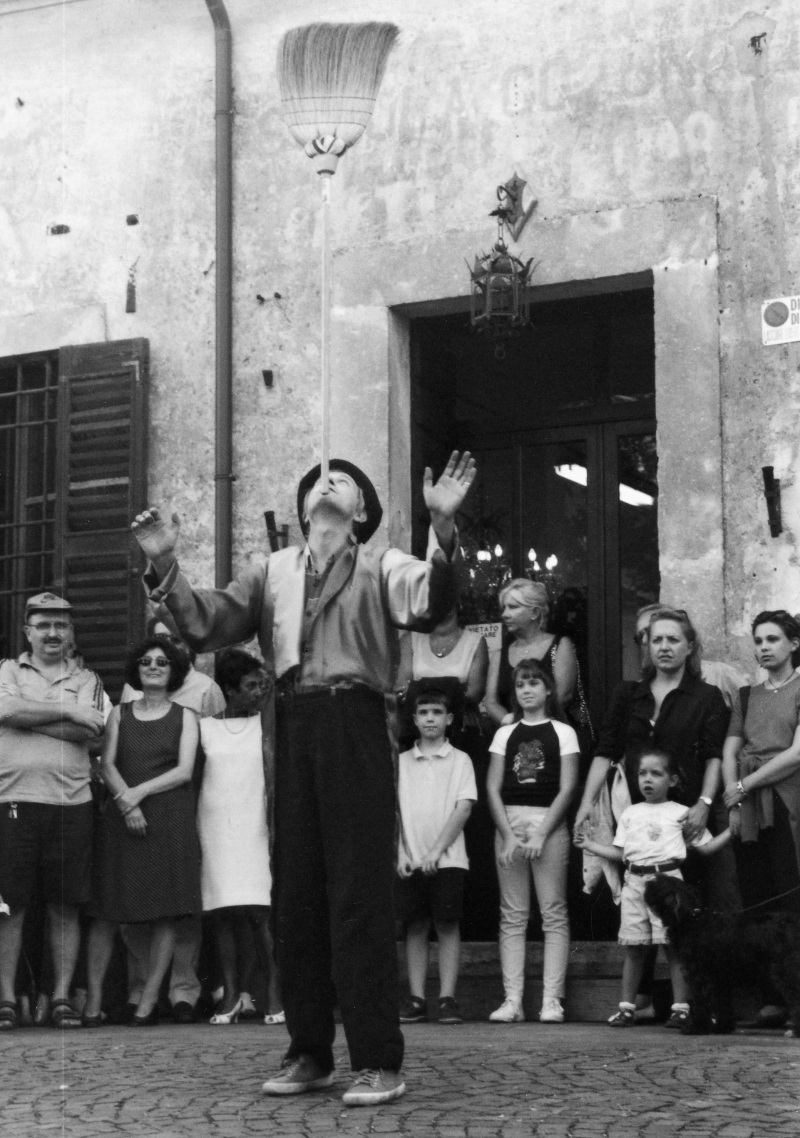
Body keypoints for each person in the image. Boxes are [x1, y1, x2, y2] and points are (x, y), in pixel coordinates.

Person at [131, 451, 475, 1106]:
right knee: (296, 897)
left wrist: (443, 528)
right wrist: (165, 564)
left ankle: (378, 1060)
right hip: (290, 725)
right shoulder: (271, 571)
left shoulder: (385, 563)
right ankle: (310, 1052)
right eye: (317, 477)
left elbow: (432, 605)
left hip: (355, 723)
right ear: (302, 509)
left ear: (362, 513)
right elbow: (205, 625)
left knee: (360, 894)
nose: (327, 482)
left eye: (342, 480)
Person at [0, 592, 105, 1030]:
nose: (52, 633)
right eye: (43, 625)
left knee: (65, 904)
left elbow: (96, 729)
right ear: (28, 631)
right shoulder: (7, 671)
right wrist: (68, 711)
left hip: (71, 802)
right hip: (14, 800)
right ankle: (5, 998)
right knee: (10, 906)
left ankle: (61, 995)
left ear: (71, 633)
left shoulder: (90, 678)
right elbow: (5, 707)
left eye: (61, 626)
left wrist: (27, 717)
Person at [82, 637, 201, 1026]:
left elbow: (184, 771)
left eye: (162, 662)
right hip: (124, 818)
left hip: (168, 817)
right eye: (147, 661)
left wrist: (136, 795)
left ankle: (149, 999)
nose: (153, 666)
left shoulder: (186, 716)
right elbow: (106, 763)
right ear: (137, 668)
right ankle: (95, 1002)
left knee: (165, 910)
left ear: (174, 671)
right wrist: (125, 802)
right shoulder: (120, 713)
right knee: (110, 908)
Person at [119, 610, 225, 1025]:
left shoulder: (207, 690)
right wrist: (130, 801)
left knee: (180, 903)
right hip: (138, 807)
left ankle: (183, 990)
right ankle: (141, 987)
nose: (166, 650)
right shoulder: (132, 688)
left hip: (186, 801)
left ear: (187, 647)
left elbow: (216, 750)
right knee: (138, 901)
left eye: (175, 642)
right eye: (158, 641)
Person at [575, 746, 730, 1027]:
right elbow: (620, 852)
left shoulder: (682, 813)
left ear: (672, 780)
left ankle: (680, 1007)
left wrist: (733, 830)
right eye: (642, 774)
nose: (647, 780)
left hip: (669, 885)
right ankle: (626, 1007)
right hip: (635, 884)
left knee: (673, 946)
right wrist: (590, 845)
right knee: (634, 948)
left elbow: (706, 847)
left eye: (656, 774)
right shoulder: (631, 813)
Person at [574, 610, 729, 875]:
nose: (664, 647)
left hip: (685, 815)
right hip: (633, 812)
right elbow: (605, 752)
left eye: (673, 640)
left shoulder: (707, 696)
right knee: (635, 891)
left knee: (684, 895)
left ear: (689, 647)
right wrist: (586, 804)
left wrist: (704, 804)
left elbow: (713, 756)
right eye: (657, 640)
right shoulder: (627, 694)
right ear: (648, 646)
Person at [486, 660, 580, 1024]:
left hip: (548, 824)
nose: (526, 690)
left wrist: (542, 833)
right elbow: (493, 786)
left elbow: (568, 785)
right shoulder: (505, 733)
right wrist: (508, 834)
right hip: (510, 821)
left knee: (553, 911)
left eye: (534, 683)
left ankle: (551, 1000)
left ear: (548, 689)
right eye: (521, 684)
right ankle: (512, 1000)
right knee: (513, 914)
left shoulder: (562, 732)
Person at [722, 610, 800, 1028]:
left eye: (773, 639)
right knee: (756, 904)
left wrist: (744, 786)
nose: (764, 647)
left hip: (788, 805)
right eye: (759, 640)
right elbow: (731, 749)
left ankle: (797, 1002)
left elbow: (796, 753)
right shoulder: (747, 695)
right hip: (750, 810)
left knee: (790, 905)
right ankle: (770, 1001)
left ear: (793, 644)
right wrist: (735, 800)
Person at [198, 648, 282, 1025]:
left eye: (263, 685)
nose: (259, 692)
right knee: (222, 913)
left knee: (261, 912)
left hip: (257, 826)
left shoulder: (270, 726)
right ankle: (231, 995)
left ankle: (273, 993)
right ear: (229, 690)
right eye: (250, 686)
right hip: (215, 826)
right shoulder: (204, 727)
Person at [396, 684, 477, 1026]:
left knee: (446, 923)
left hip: (448, 859)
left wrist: (435, 851)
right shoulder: (400, 762)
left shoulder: (460, 760)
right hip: (410, 858)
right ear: (414, 719)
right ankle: (416, 997)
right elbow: (394, 812)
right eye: (424, 713)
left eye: (437, 713)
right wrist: (401, 853)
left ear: (449, 719)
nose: (430, 719)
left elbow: (463, 808)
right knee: (415, 925)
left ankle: (447, 998)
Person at [484, 579, 578, 727]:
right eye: (504, 608)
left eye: (513, 607)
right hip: (511, 735)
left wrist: (531, 724)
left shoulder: (560, 645)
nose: (505, 614)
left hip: (553, 734)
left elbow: (563, 696)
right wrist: (514, 726)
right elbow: (490, 702)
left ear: (534, 612)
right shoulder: (499, 655)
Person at [633, 603, 748, 710]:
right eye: (640, 635)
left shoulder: (719, 674)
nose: (644, 640)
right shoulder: (640, 691)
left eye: (649, 631)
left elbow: (755, 717)